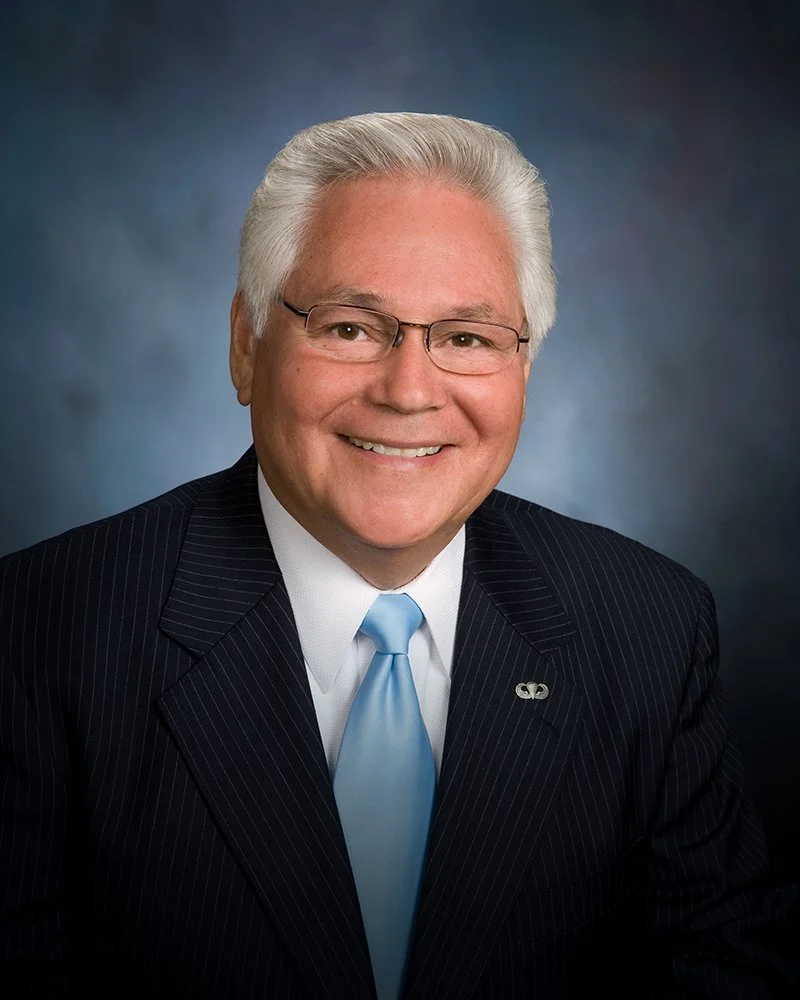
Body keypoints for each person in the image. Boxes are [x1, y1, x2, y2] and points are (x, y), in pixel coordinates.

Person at [0, 112, 795, 1000]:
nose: (409, 391)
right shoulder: (42, 630)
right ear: (245, 347)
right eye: (348, 327)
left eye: (466, 338)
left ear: (523, 368)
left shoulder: (650, 628)